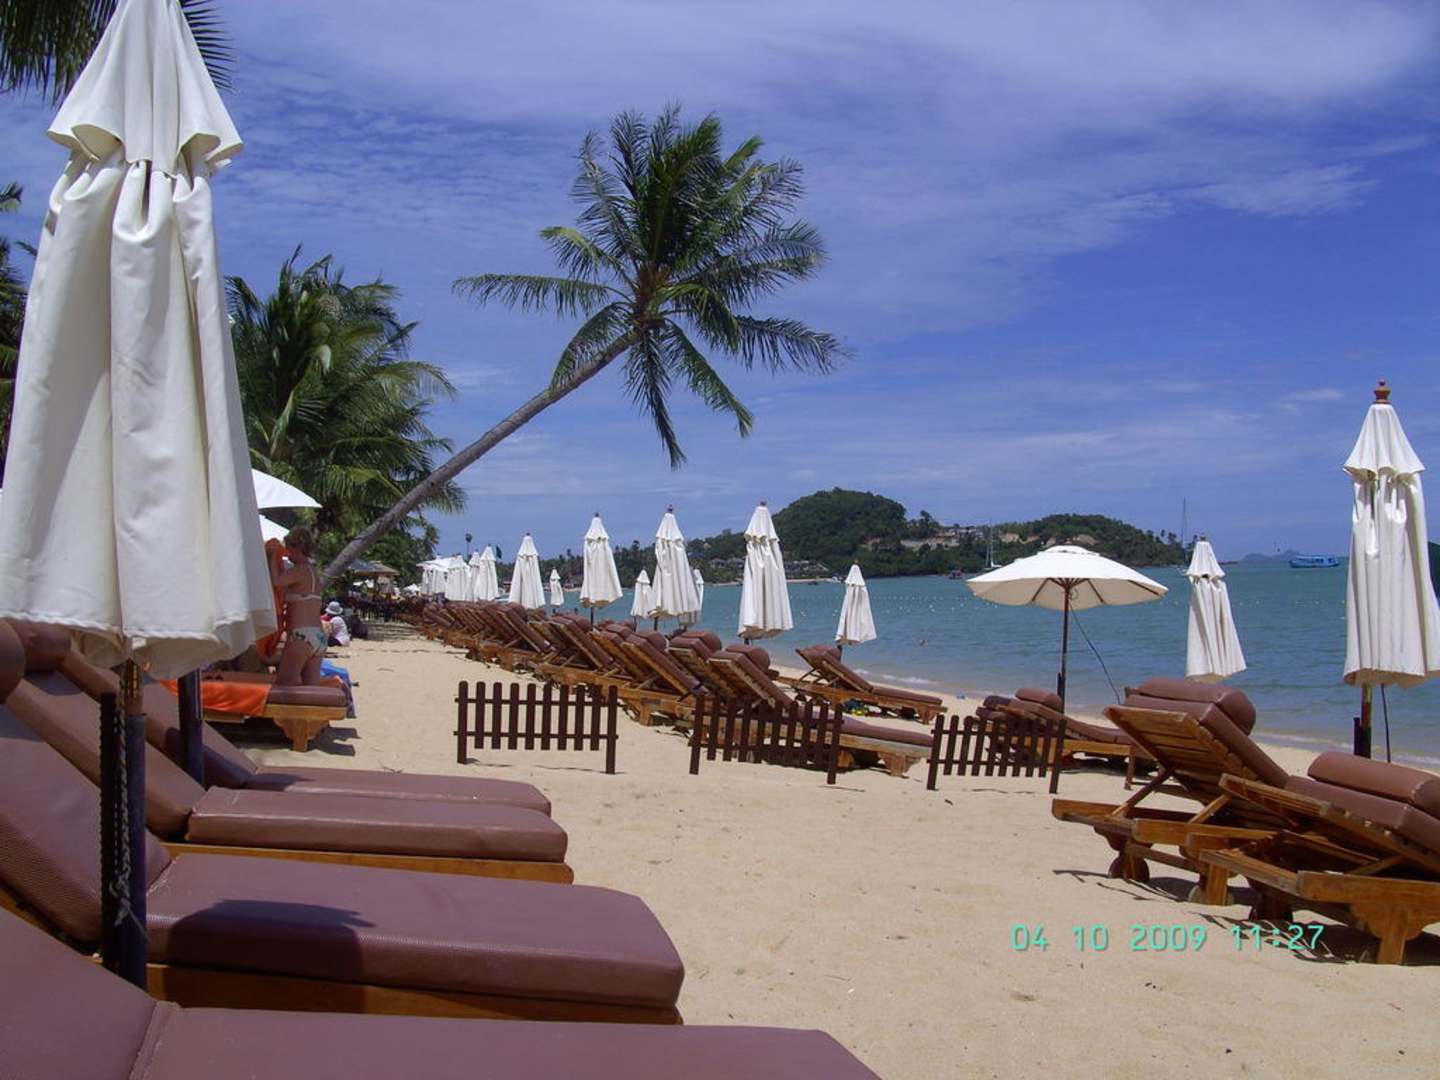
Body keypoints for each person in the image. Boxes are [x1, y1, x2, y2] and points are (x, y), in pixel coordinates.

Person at [270, 526, 328, 686]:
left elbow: (276, 581)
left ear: (297, 547)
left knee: (285, 686)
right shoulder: (313, 573)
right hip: (318, 636)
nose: (287, 554)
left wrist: (273, 555)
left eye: (288, 548)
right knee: (311, 689)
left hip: (300, 635)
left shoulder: (300, 570)